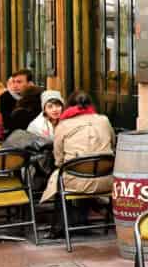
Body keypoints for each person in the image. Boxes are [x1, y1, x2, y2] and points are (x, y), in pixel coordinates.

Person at [41, 92, 116, 232]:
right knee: (83, 171)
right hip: (106, 179)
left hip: (75, 179)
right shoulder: (104, 120)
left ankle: (61, 226)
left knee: (63, 176)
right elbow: (113, 143)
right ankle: (84, 220)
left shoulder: (63, 125)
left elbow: (58, 158)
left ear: (68, 105)